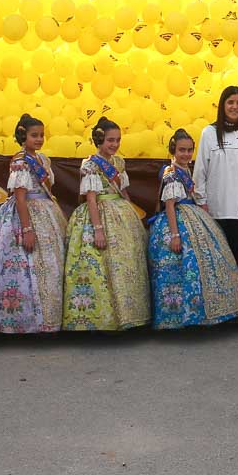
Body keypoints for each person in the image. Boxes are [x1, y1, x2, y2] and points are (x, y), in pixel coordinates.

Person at [147, 129, 238, 329]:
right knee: (184, 266)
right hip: (178, 222)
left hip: (193, 216)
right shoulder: (172, 173)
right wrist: (175, 235)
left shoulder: (184, 170)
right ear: (173, 150)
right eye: (182, 150)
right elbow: (170, 205)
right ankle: (180, 315)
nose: (186, 154)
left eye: (190, 150)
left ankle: (202, 312)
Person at [62, 117, 151, 331]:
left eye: (118, 140)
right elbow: (91, 198)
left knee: (125, 265)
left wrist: (131, 215)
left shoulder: (119, 162)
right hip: (98, 214)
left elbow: (124, 191)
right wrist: (97, 229)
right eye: (110, 140)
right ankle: (100, 318)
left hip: (120, 212)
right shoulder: (90, 164)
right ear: (99, 140)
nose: (115, 144)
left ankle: (129, 313)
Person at [0, 114, 68, 334]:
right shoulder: (20, 162)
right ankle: (23, 321)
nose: (39, 139)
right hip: (25, 215)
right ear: (23, 136)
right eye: (34, 135)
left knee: (50, 266)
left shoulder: (43, 160)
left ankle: (48, 319)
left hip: (46, 213)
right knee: (24, 268)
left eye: (41, 135)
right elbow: (20, 197)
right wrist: (27, 229)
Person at [194, 86, 238, 264]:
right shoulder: (209, 133)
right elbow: (200, 171)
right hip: (218, 209)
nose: (234, 107)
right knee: (218, 261)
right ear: (222, 105)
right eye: (230, 102)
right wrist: (202, 202)